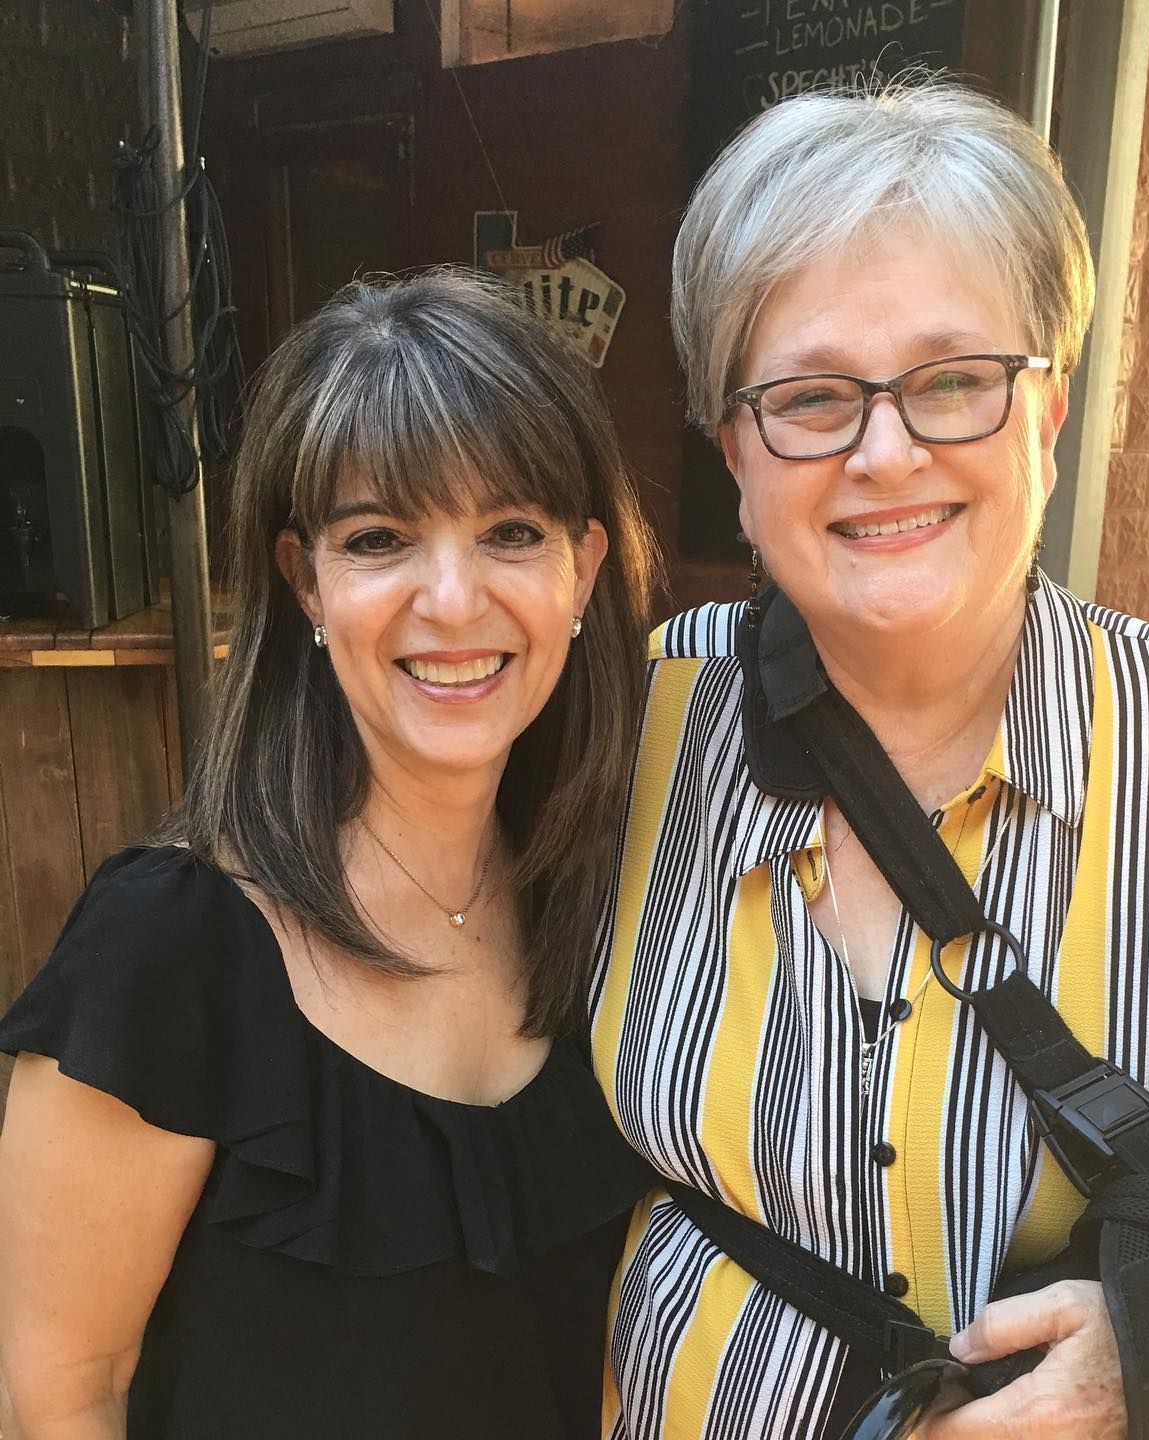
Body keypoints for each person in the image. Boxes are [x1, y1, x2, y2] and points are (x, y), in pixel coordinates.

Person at [589, 83, 1149, 1440]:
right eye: (810, 397)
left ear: (1046, 414)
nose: (884, 450)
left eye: (952, 382)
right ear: (734, 449)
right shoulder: (637, 722)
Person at [0, 270, 657, 1439]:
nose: (452, 602)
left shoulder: (609, 905)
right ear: (304, 578)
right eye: (381, 539)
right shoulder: (170, 947)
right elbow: (59, 1396)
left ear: (583, 569)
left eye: (511, 531)